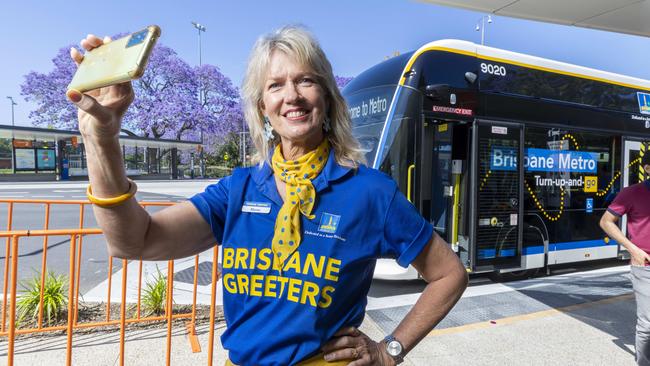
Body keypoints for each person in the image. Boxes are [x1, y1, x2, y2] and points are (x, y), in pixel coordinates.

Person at [67, 26, 468, 366]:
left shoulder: (371, 193)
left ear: (327, 97)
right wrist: (100, 138)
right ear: (263, 108)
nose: (291, 95)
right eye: (276, 85)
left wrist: (388, 350)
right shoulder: (238, 190)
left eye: (305, 80)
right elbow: (133, 240)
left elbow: (449, 274)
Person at [600, 153, 650, 366]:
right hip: (645, 267)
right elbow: (606, 221)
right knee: (648, 325)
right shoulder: (632, 193)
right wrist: (633, 249)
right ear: (647, 168)